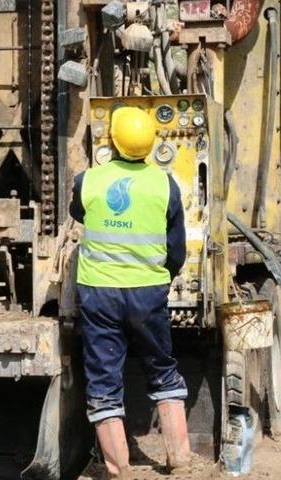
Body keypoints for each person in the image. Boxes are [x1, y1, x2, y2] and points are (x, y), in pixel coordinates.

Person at [69, 107, 191, 478]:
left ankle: (117, 469)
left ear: (112, 140)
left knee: (104, 378)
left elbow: (78, 214)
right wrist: (162, 278)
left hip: (99, 293)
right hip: (148, 293)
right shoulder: (165, 185)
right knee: (162, 369)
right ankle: (180, 460)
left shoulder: (87, 180)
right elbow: (177, 249)